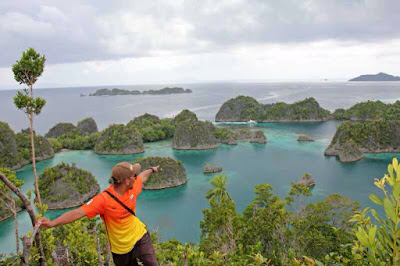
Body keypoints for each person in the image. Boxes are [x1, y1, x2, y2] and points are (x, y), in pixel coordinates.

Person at [38, 162, 160, 266]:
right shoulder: (103, 200)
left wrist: (151, 170)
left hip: (139, 236)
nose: (136, 177)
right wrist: (52, 223)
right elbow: (79, 212)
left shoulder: (133, 187)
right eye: (134, 175)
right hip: (120, 248)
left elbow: (143, 176)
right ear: (127, 181)